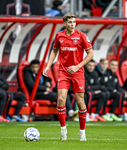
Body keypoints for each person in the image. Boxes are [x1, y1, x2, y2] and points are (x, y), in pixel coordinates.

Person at [43, 13, 94, 141]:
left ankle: (82, 132)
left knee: (80, 101)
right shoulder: (59, 36)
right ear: (65, 23)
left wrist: (77, 66)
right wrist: (48, 65)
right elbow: (54, 51)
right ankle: (63, 130)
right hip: (64, 72)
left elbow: (90, 54)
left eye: (74, 22)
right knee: (61, 99)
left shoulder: (81, 36)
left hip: (78, 72)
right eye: (70, 22)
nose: (72, 24)